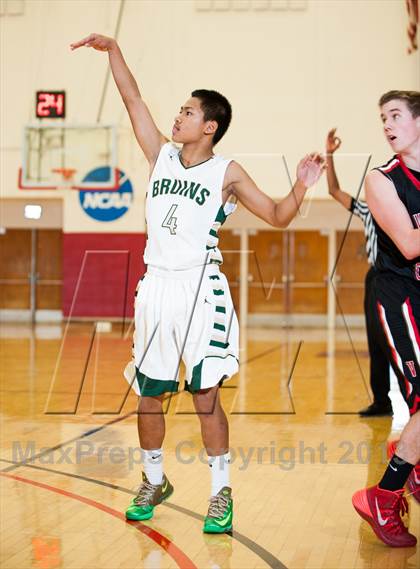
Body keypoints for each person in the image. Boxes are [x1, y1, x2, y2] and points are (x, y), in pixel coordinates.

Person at [70, 33, 326, 534]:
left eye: (188, 112)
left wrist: (301, 185)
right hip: (156, 289)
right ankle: (152, 480)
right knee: (149, 394)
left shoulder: (227, 172)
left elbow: (276, 215)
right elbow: (133, 99)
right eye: (180, 110)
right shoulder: (161, 155)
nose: (177, 116)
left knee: (205, 394)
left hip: (200, 288)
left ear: (209, 126)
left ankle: (220, 492)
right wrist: (114, 50)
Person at [352, 90, 420, 548]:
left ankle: (410, 468)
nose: (386, 124)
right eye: (382, 118)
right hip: (400, 297)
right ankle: (387, 490)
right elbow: (412, 245)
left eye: (395, 115)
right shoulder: (381, 180)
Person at [325, 128, 392, 417]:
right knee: (376, 341)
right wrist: (329, 156)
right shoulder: (366, 210)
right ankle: (382, 401)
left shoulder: (401, 209)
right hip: (375, 278)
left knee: (399, 341)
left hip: (400, 277)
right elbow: (334, 192)